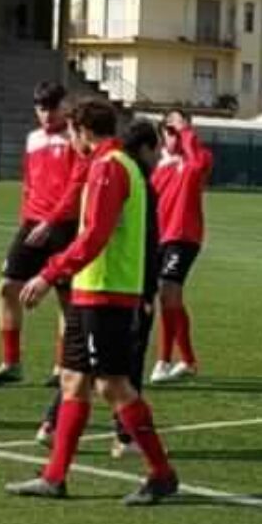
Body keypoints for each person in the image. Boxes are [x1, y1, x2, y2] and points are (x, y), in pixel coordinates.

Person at [5, 100, 181, 505]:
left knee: (111, 384)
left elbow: (95, 236)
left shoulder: (109, 167)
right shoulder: (115, 164)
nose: (69, 139)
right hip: (92, 290)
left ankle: (161, 473)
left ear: (83, 130)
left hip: (107, 293)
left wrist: (50, 273)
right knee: (73, 381)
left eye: (71, 132)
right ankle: (54, 477)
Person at [0, 83, 83, 388]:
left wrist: (51, 221)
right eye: (41, 107)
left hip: (64, 224)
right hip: (33, 223)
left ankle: (61, 366)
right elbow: (29, 182)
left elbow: (76, 185)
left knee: (66, 298)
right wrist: (26, 220)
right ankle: (11, 363)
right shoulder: (33, 139)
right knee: (7, 286)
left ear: (65, 105)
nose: (46, 113)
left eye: (52, 106)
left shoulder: (74, 138)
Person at [108, 118, 168, 461]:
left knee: (89, 368)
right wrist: (147, 291)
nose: (159, 156)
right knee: (121, 367)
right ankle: (130, 438)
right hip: (125, 288)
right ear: (145, 148)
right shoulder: (138, 181)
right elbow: (146, 242)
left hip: (104, 284)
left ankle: (53, 425)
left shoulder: (112, 169)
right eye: (155, 149)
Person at [149, 112, 213, 383]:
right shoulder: (159, 165)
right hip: (159, 238)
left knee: (167, 292)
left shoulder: (198, 156)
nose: (173, 135)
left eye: (179, 130)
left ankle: (164, 360)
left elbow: (198, 167)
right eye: (169, 130)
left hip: (185, 236)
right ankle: (187, 361)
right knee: (169, 299)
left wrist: (186, 133)